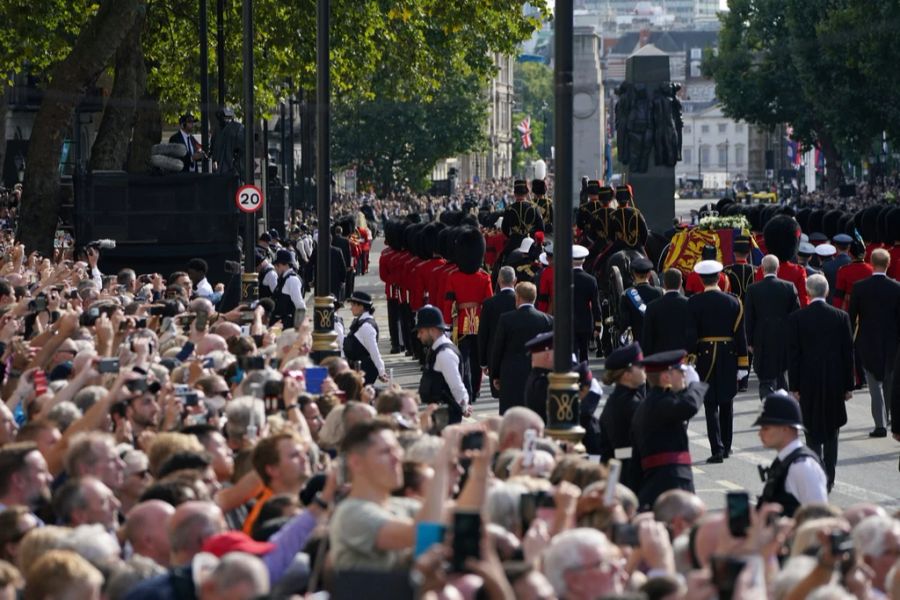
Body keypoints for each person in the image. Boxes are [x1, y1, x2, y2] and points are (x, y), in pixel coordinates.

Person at [788, 274, 853, 492]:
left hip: (808, 381)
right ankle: (830, 476)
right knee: (832, 429)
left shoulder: (798, 318)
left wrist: (794, 386)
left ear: (808, 292)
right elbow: (847, 354)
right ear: (826, 292)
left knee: (811, 429)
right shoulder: (840, 316)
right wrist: (848, 386)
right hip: (834, 380)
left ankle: (815, 473)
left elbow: (794, 355)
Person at [687, 259, 748, 463]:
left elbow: (691, 335)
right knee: (726, 402)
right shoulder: (734, 301)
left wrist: (690, 359)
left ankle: (717, 449)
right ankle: (728, 446)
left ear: (701, 279)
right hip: (729, 355)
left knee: (710, 404)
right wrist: (743, 364)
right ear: (719, 277)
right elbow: (741, 335)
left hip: (704, 357)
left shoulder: (694, 303)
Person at [630, 350, 707, 511]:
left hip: (659, 480)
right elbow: (689, 406)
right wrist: (696, 385)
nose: (684, 376)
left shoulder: (649, 404)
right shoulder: (659, 404)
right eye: (681, 371)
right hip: (672, 481)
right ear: (666, 377)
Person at [849, 248, 900, 438]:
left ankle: (880, 424)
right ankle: (888, 418)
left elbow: (852, 315)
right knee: (889, 381)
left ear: (871, 262)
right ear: (888, 264)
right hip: (892, 341)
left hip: (867, 340)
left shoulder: (860, 287)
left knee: (874, 383)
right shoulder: (897, 288)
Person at [755, 391, 828, 517]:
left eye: (766, 428)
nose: (760, 433)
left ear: (785, 428)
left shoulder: (802, 467)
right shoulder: (784, 460)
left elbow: (819, 518)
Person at [490, 282, 553, 414]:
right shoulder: (547, 320)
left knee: (511, 415)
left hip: (511, 374)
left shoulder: (506, 319)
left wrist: (495, 375)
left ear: (517, 298)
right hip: (538, 373)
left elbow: (498, 349)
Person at [744, 255, 801, 399]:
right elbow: (796, 316)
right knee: (782, 373)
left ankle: (769, 405)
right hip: (784, 337)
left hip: (761, 338)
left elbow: (749, 318)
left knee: (765, 377)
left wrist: (749, 341)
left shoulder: (753, 289)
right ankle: (782, 404)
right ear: (778, 268)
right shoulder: (789, 287)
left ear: (762, 269)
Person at [598, 342, 645, 492]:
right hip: (627, 474)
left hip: (622, 470)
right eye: (640, 365)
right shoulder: (627, 403)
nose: (644, 368)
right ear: (627, 374)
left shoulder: (625, 397)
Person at [415, 305, 471, 424]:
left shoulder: (444, 353)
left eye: (421, 331)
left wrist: (464, 404)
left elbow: (456, 385)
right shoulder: (436, 349)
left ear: (433, 330)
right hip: (440, 412)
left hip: (446, 415)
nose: (418, 336)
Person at [478, 266, 517, 399]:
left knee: (501, 396)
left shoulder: (489, 303)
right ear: (515, 280)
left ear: (499, 281)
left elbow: (483, 334)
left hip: (494, 355)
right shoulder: (520, 300)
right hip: (516, 354)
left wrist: (483, 362)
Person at [641, 268, 694, 355]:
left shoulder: (652, 307)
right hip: (682, 356)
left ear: (664, 283)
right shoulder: (690, 304)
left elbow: (647, 338)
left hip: (660, 357)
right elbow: (692, 333)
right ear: (681, 283)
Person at [343, 292, 387, 385]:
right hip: (357, 368)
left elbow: (374, 351)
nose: (351, 308)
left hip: (366, 370)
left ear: (361, 307)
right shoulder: (360, 322)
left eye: (353, 305)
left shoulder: (367, 326)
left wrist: (381, 371)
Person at [618, 257, 662, 341]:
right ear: (649, 274)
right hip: (656, 339)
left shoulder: (627, 294)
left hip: (637, 341)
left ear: (633, 274)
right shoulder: (659, 292)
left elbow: (625, 322)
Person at [572, 245, 602, 363]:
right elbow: (596, 304)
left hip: (567, 323)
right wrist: (598, 325)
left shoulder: (563, 278)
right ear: (584, 260)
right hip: (585, 322)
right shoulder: (590, 280)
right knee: (584, 354)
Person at [833, 240, 872, 311]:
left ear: (850, 254)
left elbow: (839, 295)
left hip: (850, 308)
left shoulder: (843, 270)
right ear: (865, 253)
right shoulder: (872, 269)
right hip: (868, 308)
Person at [270, 250, 306, 329]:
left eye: (277, 265)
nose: (275, 268)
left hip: (287, 327)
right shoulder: (284, 279)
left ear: (285, 264)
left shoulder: (292, 280)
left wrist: (298, 329)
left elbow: (300, 306)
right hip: (281, 325)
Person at [823, 233, 853, 303]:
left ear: (835, 246)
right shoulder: (853, 264)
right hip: (849, 302)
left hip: (831, 301)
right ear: (849, 247)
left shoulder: (827, 265)